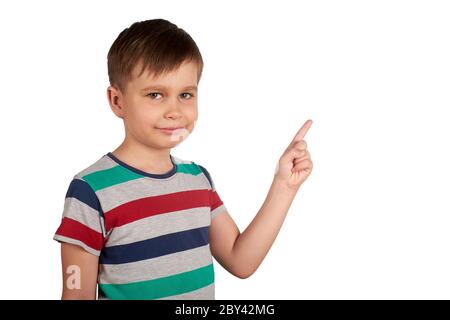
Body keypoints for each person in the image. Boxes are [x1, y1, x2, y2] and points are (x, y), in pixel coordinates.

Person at [53, 18, 314, 300]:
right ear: (117, 101)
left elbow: (241, 261)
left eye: (185, 94)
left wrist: (284, 187)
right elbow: (76, 294)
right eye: (155, 94)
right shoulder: (90, 190)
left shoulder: (199, 180)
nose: (175, 111)